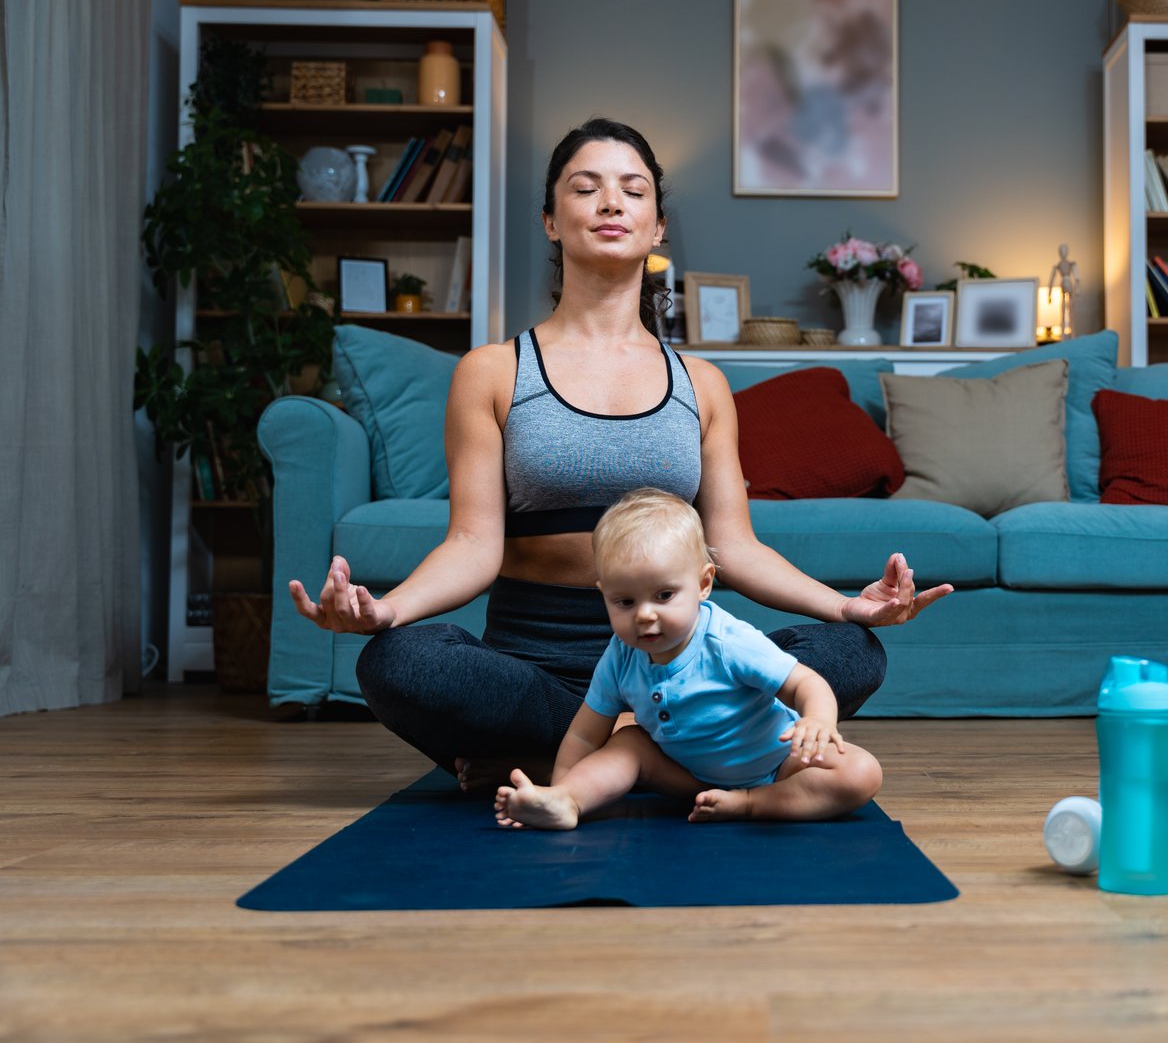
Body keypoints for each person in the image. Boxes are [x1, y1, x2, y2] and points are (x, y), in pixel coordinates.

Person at [288, 117, 952, 789]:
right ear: (551, 219)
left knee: (852, 652)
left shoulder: (702, 385)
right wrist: (388, 610)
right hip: (539, 669)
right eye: (586, 188)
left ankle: (595, 761)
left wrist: (849, 607)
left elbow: (734, 548)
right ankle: (651, 753)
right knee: (397, 660)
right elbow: (471, 544)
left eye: (633, 190)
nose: (611, 203)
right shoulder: (491, 372)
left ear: (657, 225)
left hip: (687, 669)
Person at [495, 488, 882, 829]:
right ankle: (568, 803)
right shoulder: (620, 655)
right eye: (624, 601)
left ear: (703, 584)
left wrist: (817, 720)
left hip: (780, 766)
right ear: (604, 595)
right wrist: (562, 785)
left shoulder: (726, 641)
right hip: (689, 777)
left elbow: (805, 683)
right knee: (629, 743)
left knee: (860, 772)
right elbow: (584, 733)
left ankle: (751, 805)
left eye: (664, 596)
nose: (644, 614)